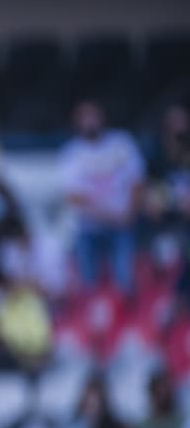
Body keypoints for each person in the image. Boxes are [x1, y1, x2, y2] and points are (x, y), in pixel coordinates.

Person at [59, 100, 144, 296]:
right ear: (76, 122)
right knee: (88, 285)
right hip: (89, 228)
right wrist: (110, 215)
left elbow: (137, 182)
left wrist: (129, 213)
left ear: (102, 117)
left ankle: (129, 318)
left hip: (122, 225)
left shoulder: (122, 143)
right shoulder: (71, 153)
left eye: (93, 116)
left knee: (125, 279)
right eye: (84, 118)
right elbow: (74, 197)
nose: (90, 122)